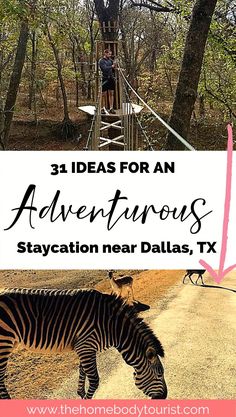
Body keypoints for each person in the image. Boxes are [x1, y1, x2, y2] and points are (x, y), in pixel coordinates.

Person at [99, 49, 116, 115]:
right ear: (105, 53)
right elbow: (104, 68)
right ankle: (102, 108)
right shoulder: (101, 61)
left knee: (111, 93)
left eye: (110, 54)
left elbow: (113, 70)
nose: (110, 55)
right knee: (103, 94)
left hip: (111, 78)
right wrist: (111, 66)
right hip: (104, 78)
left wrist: (114, 67)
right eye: (109, 54)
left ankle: (111, 108)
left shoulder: (110, 61)